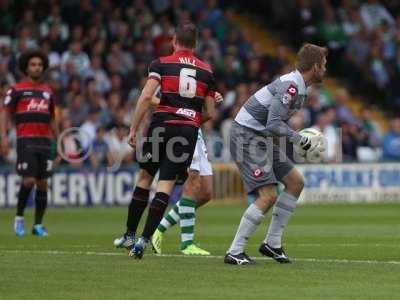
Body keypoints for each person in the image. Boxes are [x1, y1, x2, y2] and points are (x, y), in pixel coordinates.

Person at [113, 22, 216, 259]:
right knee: (166, 186)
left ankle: (129, 234)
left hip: (161, 127)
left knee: (145, 177)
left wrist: (133, 129)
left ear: (174, 41)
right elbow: (209, 112)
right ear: (196, 44)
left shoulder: (161, 63)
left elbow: (147, 95)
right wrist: (189, 119)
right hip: (187, 131)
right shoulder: (206, 71)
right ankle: (143, 241)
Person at [225, 44, 327, 265]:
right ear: (316, 66)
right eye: (324, 65)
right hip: (246, 136)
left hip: (260, 138)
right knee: (268, 195)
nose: (325, 70)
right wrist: (300, 139)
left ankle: (272, 243)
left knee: (295, 182)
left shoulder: (300, 87)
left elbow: (272, 124)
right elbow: (273, 123)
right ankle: (235, 250)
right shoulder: (291, 87)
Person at [151, 91, 223, 256]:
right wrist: (176, 110)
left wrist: (210, 101)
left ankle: (158, 229)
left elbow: (202, 113)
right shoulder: (168, 71)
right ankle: (187, 244)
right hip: (179, 131)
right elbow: (149, 97)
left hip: (196, 132)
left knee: (206, 193)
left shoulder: (201, 75)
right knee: (193, 181)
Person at [0, 49, 59, 237]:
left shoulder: (48, 91)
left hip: (45, 142)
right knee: (29, 180)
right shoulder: (16, 90)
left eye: (40, 65)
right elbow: (5, 113)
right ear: (26, 67)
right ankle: (19, 218)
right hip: (26, 141)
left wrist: (57, 143)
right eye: (33, 65)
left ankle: (38, 225)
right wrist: (3, 137)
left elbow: (52, 119)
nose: (37, 68)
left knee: (43, 184)